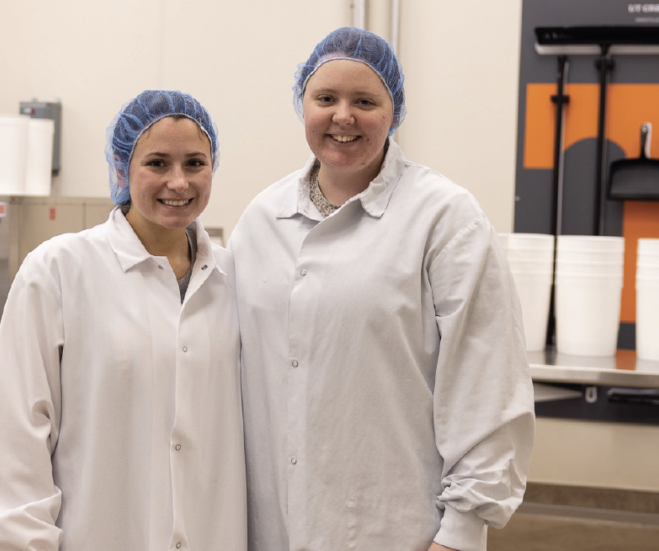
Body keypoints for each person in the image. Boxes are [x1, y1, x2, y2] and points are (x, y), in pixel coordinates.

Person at [229, 27, 535, 551]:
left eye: (364, 101)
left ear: (394, 112)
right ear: (302, 104)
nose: (342, 116)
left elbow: (489, 380)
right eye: (325, 98)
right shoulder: (261, 219)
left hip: (396, 528)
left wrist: (462, 530)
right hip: (270, 525)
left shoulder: (444, 216)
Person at [0, 90, 246, 551]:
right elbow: (15, 441)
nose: (178, 182)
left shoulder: (236, 278)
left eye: (195, 163)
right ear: (122, 169)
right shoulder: (59, 270)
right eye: (157, 163)